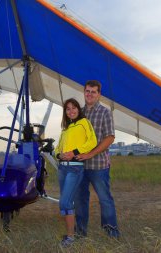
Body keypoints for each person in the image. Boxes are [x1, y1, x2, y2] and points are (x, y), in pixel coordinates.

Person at [74, 80, 120, 238]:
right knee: (80, 200)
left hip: (99, 165)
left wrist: (90, 154)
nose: (90, 94)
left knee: (105, 199)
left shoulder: (105, 112)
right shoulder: (78, 113)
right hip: (79, 165)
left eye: (93, 92)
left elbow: (110, 138)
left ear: (99, 94)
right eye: (87, 91)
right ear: (84, 92)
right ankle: (80, 233)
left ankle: (111, 233)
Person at [55, 98, 97, 247]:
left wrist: (74, 152)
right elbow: (57, 148)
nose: (71, 111)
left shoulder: (84, 123)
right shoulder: (65, 129)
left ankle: (71, 238)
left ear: (78, 109)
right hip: (62, 168)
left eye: (73, 108)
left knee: (65, 202)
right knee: (66, 203)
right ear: (65, 112)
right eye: (67, 109)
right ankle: (69, 235)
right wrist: (59, 155)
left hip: (75, 167)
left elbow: (92, 141)